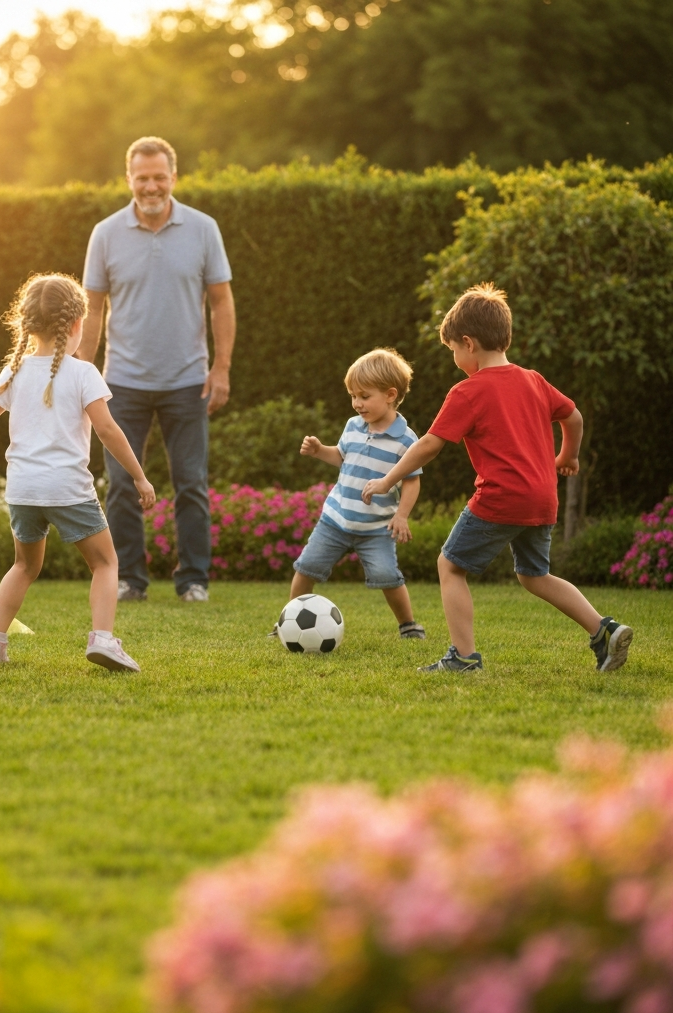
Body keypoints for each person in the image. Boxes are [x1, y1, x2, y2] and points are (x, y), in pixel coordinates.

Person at [362, 283, 633, 673]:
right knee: (534, 575)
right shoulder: (534, 380)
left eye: (453, 349)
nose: (454, 357)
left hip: (501, 497)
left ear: (468, 343)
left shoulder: (467, 392)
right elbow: (573, 417)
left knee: (450, 565)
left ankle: (463, 657)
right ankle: (603, 630)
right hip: (542, 498)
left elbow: (428, 446)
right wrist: (567, 455)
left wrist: (387, 480)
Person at [0, 274, 156, 671]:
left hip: (23, 490)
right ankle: (103, 639)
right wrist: (139, 475)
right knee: (104, 563)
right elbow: (107, 430)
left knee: (24, 566)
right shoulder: (84, 373)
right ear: (75, 325)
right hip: (68, 489)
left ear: (27, 324)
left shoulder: (14, 371)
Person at [78, 136, 235, 604]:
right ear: (129, 179)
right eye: (142, 178)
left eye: (159, 177)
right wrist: (81, 374)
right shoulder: (105, 233)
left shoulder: (203, 229)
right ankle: (129, 579)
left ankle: (193, 581)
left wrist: (221, 368)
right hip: (121, 384)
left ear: (173, 178)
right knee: (122, 484)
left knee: (192, 485)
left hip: (188, 382)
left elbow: (222, 301)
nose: (151, 186)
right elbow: (92, 306)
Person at [273, 348, 426, 639]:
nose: (357, 404)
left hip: (376, 528)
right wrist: (320, 451)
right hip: (335, 520)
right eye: (353, 396)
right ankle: (288, 621)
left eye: (364, 396)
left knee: (387, 576)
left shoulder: (406, 440)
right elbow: (342, 458)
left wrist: (402, 515)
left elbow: (412, 481)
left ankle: (408, 624)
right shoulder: (353, 426)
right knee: (306, 568)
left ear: (390, 394)